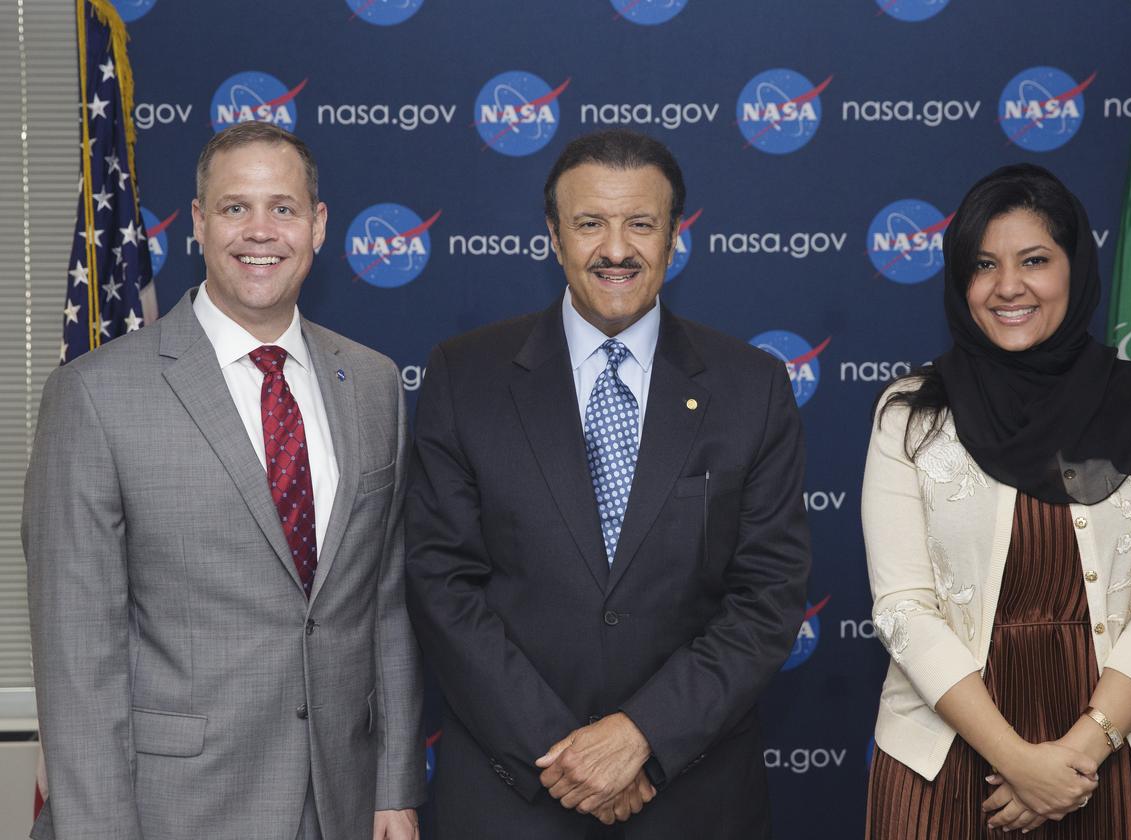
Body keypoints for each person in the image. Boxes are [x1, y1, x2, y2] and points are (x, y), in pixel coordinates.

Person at [405, 129, 811, 839]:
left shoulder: (752, 388)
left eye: (640, 224)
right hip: (518, 794)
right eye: (590, 223)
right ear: (554, 238)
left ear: (674, 237)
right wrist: (568, 757)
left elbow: (767, 598)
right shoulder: (465, 377)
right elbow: (442, 584)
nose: (616, 249)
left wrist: (641, 736)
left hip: (691, 794)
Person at [24, 122, 425, 840]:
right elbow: (78, 659)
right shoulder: (96, 396)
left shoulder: (372, 383)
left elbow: (384, 606)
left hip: (340, 804)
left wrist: (393, 786)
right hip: (172, 811)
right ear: (201, 225)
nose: (261, 231)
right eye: (236, 208)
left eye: (284, 207)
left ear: (319, 225)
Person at [861, 163, 1131, 838]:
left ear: (1073, 268)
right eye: (984, 264)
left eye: (1035, 260)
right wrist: (1018, 761)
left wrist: (1075, 756)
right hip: (948, 757)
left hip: (1117, 752)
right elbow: (902, 607)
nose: (1008, 286)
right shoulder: (909, 413)